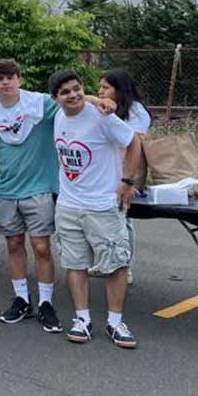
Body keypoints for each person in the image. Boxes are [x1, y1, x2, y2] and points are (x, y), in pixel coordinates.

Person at [50, 69, 141, 349]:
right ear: (56, 98)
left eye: (78, 88)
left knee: (115, 265)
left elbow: (134, 142)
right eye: (65, 92)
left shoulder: (101, 117)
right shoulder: (57, 116)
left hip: (102, 206)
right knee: (74, 264)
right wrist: (89, 98)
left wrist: (127, 182)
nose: (74, 95)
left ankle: (115, 322)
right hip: (68, 204)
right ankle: (82, 319)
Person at [0, 59, 63, 332]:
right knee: (14, 245)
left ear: (19, 78)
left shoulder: (39, 103)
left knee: (41, 247)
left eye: (10, 77)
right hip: (6, 190)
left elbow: (71, 103)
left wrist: (100, 102)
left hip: (38, 188)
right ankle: (21, 299)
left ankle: (45, 303)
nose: (5, 82)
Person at [95, 68, 151, 283]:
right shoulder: (108, 108)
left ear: (120, 90)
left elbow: (131, 147)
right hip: (107, 174)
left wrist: (127, 181)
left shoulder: (136, 112)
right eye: (99, 87)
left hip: (127, 176)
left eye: (106, 87)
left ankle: (124, 267)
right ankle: (105, 262)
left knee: (123, 221)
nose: (100, 91)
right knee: (105, 221)